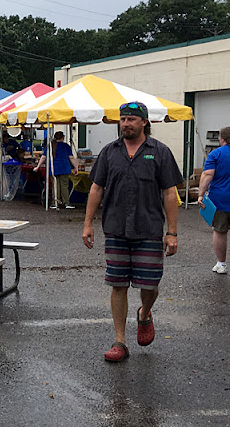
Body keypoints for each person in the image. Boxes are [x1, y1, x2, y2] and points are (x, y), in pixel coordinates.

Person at [82, 101, 183, 363]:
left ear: (144, 123)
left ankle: (145, 313)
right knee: (117, 284)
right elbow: (96, 189)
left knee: (150, 285)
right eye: (123, 119)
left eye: (132, 119)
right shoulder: (109, 152)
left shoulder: (159, 152)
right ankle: (120, 341)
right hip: (115, 227)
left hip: (148, 228)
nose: (126, 123)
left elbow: (170, 193)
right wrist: (87, 223)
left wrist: (172, 232)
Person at [197, 126, 230, 274]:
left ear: (222, 139)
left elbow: (207, 175)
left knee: (220, 231)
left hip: (220, 199)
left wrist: (200, 194)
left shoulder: (216, 154)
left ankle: (221, 264)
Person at [33, 131, 79, 209]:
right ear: (63, 137)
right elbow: (71, 157)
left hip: (53, 168)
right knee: (64, 186)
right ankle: (66, 203)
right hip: (64, 168)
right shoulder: (66, 146)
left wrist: (37, 167)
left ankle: (55, 203)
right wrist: (76, 167)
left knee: (55, 186)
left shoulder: (50, 146)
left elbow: (43, 157)